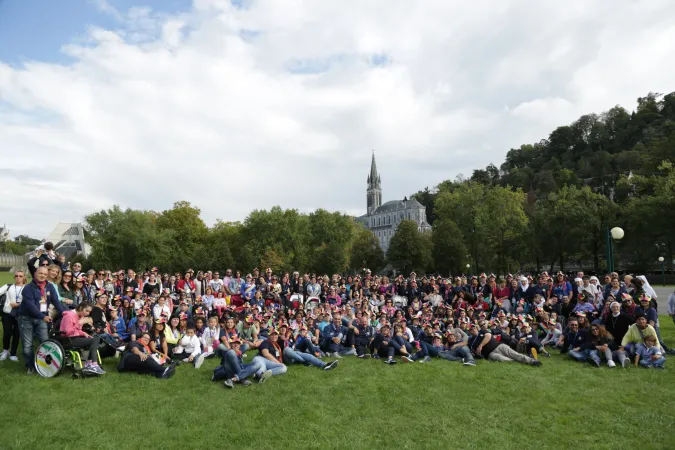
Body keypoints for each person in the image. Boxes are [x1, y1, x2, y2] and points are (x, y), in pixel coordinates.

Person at [18, 266, 64, 374]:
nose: (43, 275)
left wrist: (64, 313)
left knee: (45, 343)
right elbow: (30, 306)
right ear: (35, 274)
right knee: (27, 345)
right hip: (26, 318)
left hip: (42, 319)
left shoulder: (49, 287)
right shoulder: (28, 288)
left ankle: (44, 365)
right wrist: (42, 316)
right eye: (40, 273)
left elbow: (55, 301)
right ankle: (30, 366)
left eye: (44, 274)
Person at [59, 302, 106, 375]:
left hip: (75, 338)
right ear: (81, 308)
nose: (87, 313)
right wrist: (79, 323)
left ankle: (90, 364)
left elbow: (77, 330)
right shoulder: (68, 316)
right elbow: (67, 332)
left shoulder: (78, 316)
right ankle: (93, 364)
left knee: (96, 337)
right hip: (68, 340)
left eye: (89, 312)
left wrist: (84, 333)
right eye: (86, 311)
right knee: (93, 340)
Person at [467, 323, 541, 366]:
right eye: (471, 329)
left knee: (514, 354)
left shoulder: (482, 331)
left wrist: (480, 346)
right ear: (469, 332)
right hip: (490, 354)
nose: (473, 330)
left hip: (499, 346)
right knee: (503, 359)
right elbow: (475, 352)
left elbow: (488, 336)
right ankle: (518, 362)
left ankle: (532, 361)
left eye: (474, 328)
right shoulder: (471, 341)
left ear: (476, 328)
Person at [0, 270, 27, 361]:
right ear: (14, 277)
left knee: (17, 333)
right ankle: (5, 351)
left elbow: (29, 301)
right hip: (7, 313)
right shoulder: (8, 286)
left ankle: (13, 353)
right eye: (16, 276)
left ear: (24, 277)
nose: (18, 277)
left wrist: (19, 305)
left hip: (21, 314)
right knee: (7, 333)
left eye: (20, 276)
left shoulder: (27, 288)